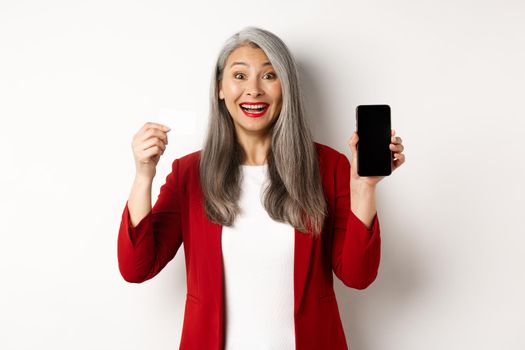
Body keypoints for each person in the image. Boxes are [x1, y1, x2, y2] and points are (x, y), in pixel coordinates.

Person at [117, 26, 405, 350]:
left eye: (269, 76)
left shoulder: (329, 166)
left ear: (286, 88)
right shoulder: (189, 173)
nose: (253, 90)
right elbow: (137, 268)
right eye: (240, 76)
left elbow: (358, 275)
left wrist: (364, 186)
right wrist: (144, 176)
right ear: (220, 89)